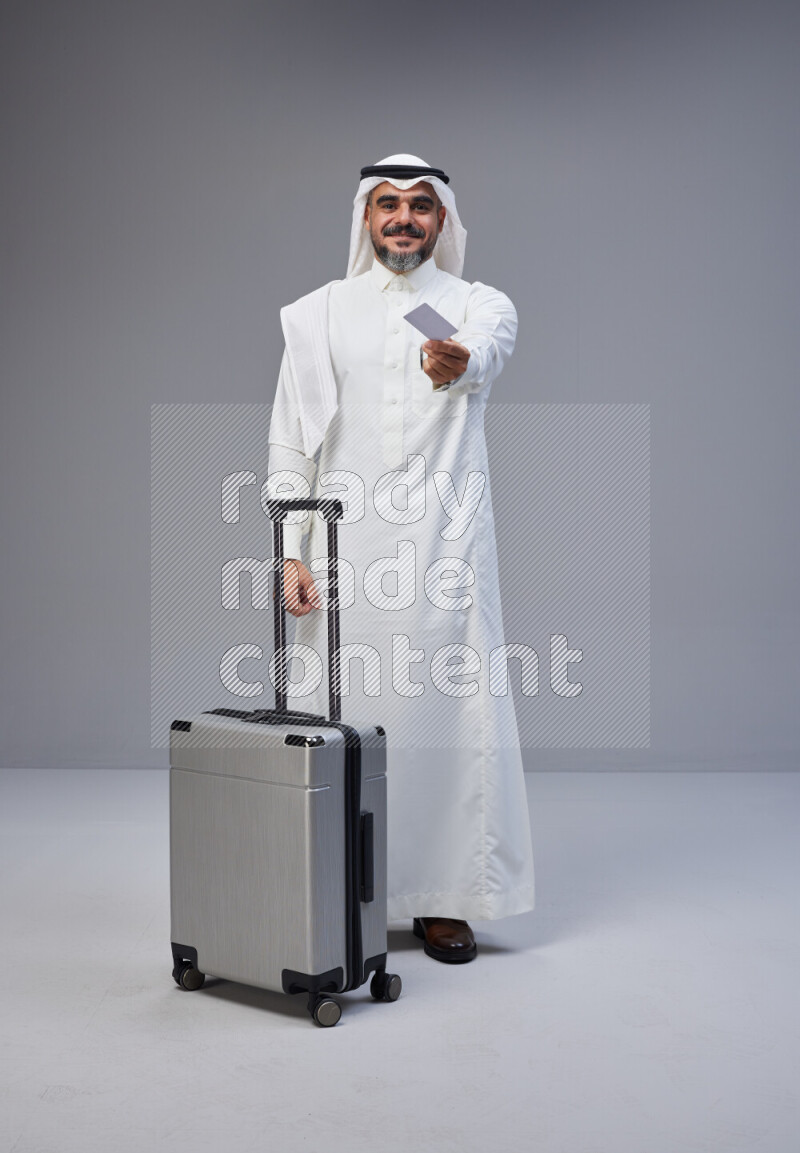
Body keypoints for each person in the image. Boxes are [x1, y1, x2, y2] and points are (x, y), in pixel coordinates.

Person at [267, 154, 534, 963]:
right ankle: (327, 889)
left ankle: (444, 898)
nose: (405, 219)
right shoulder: (318, 314)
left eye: (422, 205)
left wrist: (455, 362)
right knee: (336, 719)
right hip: (344, 554)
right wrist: (290, 552)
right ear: (365, 217)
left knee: (445, 719)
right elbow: (291, 438)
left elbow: (478, 353)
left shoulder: (476, 304)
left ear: (444, 220)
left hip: (443, 553)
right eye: (389, 204)